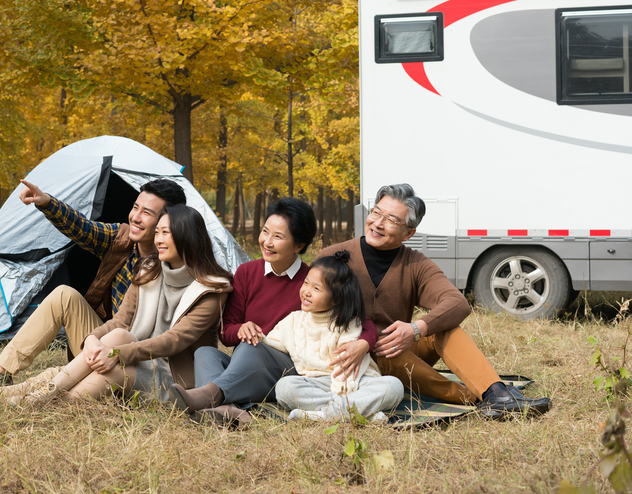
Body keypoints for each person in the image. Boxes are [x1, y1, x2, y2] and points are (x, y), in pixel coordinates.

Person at [0, 205, 232, 405]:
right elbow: (121, 321)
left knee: (113, 356)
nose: (159, 239)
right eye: (158, 232)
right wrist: (95, 339)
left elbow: (174, 340)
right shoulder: (148, 270)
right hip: (128, 356)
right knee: (117, 336)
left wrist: (116, 353)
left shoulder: (211, 288)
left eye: (167, 233)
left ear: (187, 238)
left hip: (171, 380)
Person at [318, 183, 551, 418]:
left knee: (445, 329)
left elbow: (457, 302)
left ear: (408, 233)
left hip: (399, 348)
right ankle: (474, 397)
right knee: (389, 353)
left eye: (391, 220)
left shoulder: (415, 264)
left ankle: (496, 393)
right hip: (353, 357)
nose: (378, 223)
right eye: (376, 212)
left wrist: (415, 329)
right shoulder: (332, 257)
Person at [168, 198, 378, 429]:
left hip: (286, 366)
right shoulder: (246, 272)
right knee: (205, 353)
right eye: (265, 232)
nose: (267, 242)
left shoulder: (313, 283)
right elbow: (226, 333)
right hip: (245, 364)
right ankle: (224, 408)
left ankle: (207, 397)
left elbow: (359, 320)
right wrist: (240, 328)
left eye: (278, 236)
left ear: (298, 245)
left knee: (252, 347)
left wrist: (364, 344)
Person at [265, 250, 404, 421]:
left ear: (336, 299)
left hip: (356, 381)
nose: (307, 292)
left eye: (316, 288)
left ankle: (324, 415)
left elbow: (346, 367)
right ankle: (358, 414)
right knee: (285, 387)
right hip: (318, 383)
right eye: (306, 283)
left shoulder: (347, 322)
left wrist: (342, 391)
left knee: (393, 386)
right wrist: (255, 335)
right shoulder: (294, 319)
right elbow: (271, 341)